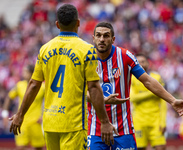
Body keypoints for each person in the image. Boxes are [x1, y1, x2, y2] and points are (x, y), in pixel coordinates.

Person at [9, 4, 117, 150]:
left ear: (57, 24)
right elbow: (93, 87)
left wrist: (20, 115)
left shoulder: (45, 49)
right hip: (74, 124)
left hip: (50, 123)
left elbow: (34, 84)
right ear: (78, 22)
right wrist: (104, 121)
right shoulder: (87, 50)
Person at [87, 22, 183, 150]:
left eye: (106, 36)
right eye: (98, 35)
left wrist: (172, 100)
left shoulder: (124, 56)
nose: (102, 39)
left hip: (123, 129)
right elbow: (80, 91)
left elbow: (147, 80)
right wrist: (101, 99)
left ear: (113, 39)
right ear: (93, 38)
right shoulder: (86, 58)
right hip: (95, 128)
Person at [2, 64, 45, 150]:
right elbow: (9, 98)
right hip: (22, 122)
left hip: (35, 122)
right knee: (20, 147)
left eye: (25, 72)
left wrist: (43, 116)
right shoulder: (19, 86)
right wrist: (5, 114)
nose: (23, 74)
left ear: (32, 73)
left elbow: (49, 101)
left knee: (39, 147)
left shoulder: (42, 87)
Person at [130, 54, 167, 150]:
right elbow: (133, 98)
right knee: (140, 148)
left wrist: (163, 122)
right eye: (138, 62)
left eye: (143, 61)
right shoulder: (132, 79)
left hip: (156, 120)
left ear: (148, 63)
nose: (141, 64)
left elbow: (163, 101)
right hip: (139, 120)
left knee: (161, 147)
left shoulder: (157, 78)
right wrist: (154, 92)